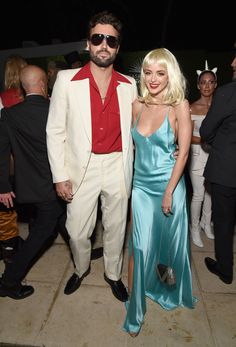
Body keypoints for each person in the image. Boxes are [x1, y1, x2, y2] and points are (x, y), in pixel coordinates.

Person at [46, 11, 137, 301]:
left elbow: (138, 129)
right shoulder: (66, 80)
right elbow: (55, 130)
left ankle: (113, 273)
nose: (104, 45)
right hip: (79, 168)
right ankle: (81, 268)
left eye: (111, 40)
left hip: (116, 165)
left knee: (116, 227)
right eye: (98, 38)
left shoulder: (129, 85)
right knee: (76, 232)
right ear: (88, 43)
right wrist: (60, 175)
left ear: (118, 47)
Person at [123, 48, 196, 337]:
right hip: (140, 187)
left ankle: (166, 287)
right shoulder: (137, 105)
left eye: (161, 73)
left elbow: (184, 152)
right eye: (149, 72)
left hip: (170, 186)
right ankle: (133, 303)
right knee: (139, 246)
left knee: (168, 246)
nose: (153, 79)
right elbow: (135, 149)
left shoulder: (180, 105)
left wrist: (169, 192)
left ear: (170, 75)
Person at [0, 65, 65, 299]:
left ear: (24, 87)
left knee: (64, 220)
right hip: (56, 184)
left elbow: (1, 151)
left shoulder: (9, 114)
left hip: (28, 186)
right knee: (41, 234)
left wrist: (3, 187)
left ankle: (82, 252)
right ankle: (9, 282)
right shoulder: (56, 110)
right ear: (42, 84)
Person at [200, 42, 236, 285]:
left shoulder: (227, 93)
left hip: (227, 170)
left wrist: (220, 145)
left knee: (223, 223)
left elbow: (206, 130)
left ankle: (225, 269)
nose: (232, 63)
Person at [0, 55, 28, 264]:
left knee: (7, 202)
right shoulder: (30, 97)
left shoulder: (2, 99)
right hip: (27, 158)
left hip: (7, 159)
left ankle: (9, 244)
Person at [188, 61, 217, 247]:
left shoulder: (220, 106)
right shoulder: (191, 107)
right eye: (203, 82)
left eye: (210, 82)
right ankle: (194, 228)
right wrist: (205, 140)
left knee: (210, 194)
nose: (206, 85)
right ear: (198, 85)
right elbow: (186, 136)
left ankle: (207, 224)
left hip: (215, 156)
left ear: (215, 84)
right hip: (197, 155)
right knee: (198, 194)